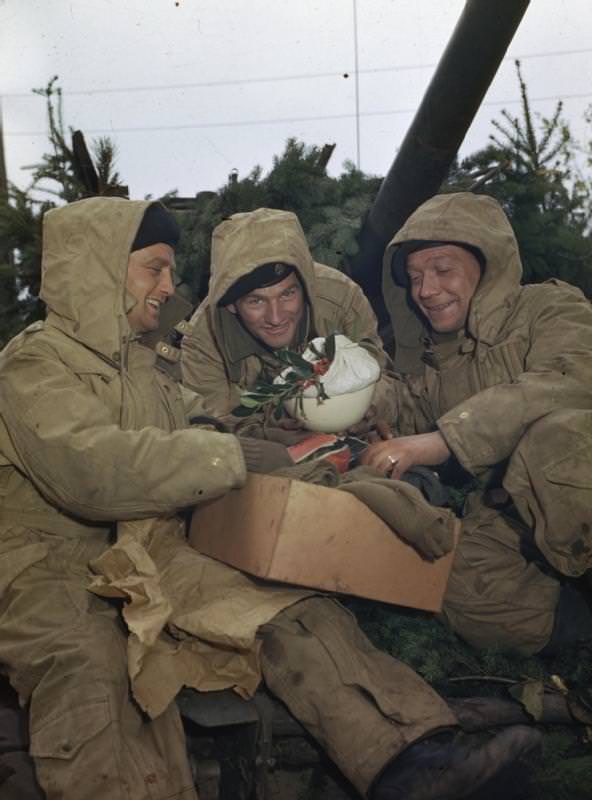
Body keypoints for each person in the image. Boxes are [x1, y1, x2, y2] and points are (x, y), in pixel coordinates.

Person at [0, 196, 539, 800]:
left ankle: (412, 760)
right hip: (49, 568)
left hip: (147, 547)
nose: (169, 286)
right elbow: (92, 471)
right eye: (154, 268)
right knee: (91, 666)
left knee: (287, 613)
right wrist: (229, 455)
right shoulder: (33, 365)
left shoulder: (141, 364)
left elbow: (196, 423)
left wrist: (270, 444)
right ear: (99, 269)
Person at [362, 190, 592, 656]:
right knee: (452, 577)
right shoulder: (434, 359)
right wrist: (348, 398)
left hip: (575, 478)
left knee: (556, 442)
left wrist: (443, 440)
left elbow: (571, 381)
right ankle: (578, 632)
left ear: (487, 267)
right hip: (512, 514)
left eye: (442, 270)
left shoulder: (550, 307)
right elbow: (400, 406)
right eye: (415, 277)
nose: (426, 290)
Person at [180, 207, 397, 438]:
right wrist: (269, 430)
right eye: (256, 301)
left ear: (305, 287)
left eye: (287, 294)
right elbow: (214, 429)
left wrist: (370, 407)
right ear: (231, 304)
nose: (276, 318)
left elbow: (386, 380)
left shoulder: (341, 301)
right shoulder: (204, 339)